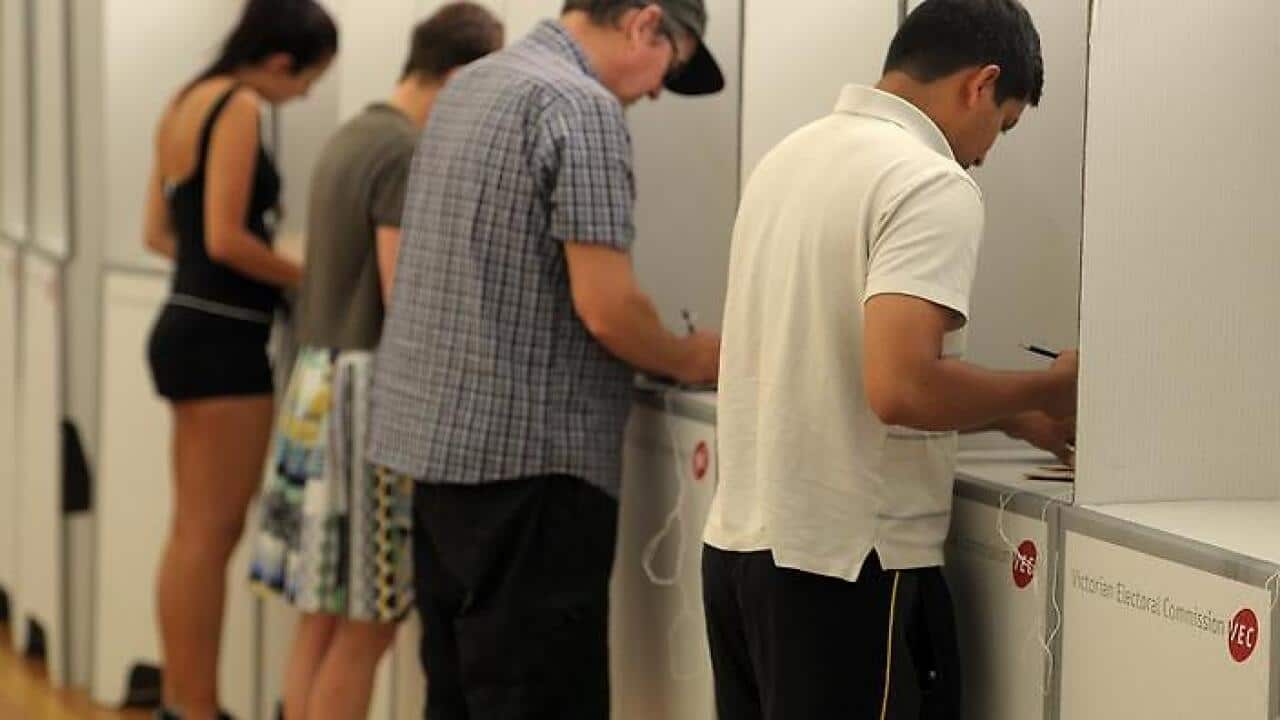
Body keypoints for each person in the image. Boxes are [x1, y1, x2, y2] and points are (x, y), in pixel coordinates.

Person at [702, 0, 1078, 717]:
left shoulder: (789, 157)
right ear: (981, 82)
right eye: (1002, 124)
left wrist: (1016, 415)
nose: (985, 152)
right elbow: (901, 387)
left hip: (741, 549)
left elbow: (833, 366)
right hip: (846, 568)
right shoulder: (930, 181)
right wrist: (1056, 385)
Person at [365, 0, 723, 716]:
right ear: (645, 23)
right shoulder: (579, 107)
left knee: (457, 693)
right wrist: (690, 357)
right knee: (540, 698)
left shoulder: (471, 85)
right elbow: (606, 305)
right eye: (670, 66)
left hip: (439, 461)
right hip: (535, 470)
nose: (656, 91)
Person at [247, 5, 503, 720]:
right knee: (369, 623)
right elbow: (404, 293)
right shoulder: (402, 150)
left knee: (320, 617)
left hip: (317, 384)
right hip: (367, 399)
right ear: (458, 76)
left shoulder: (350, 135)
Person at [141, 1, 337, 717]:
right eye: (309, 81)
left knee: (191, 530)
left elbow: (162, 235)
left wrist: (231, 270)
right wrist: (307, 274)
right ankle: (194, 708)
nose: (305, 96)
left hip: (186, 326)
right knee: (207, 534)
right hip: (223, 342)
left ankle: (182, 700)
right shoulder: (243, 106)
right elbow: (224, 239)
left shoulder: (183, 101)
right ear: (282, 62)